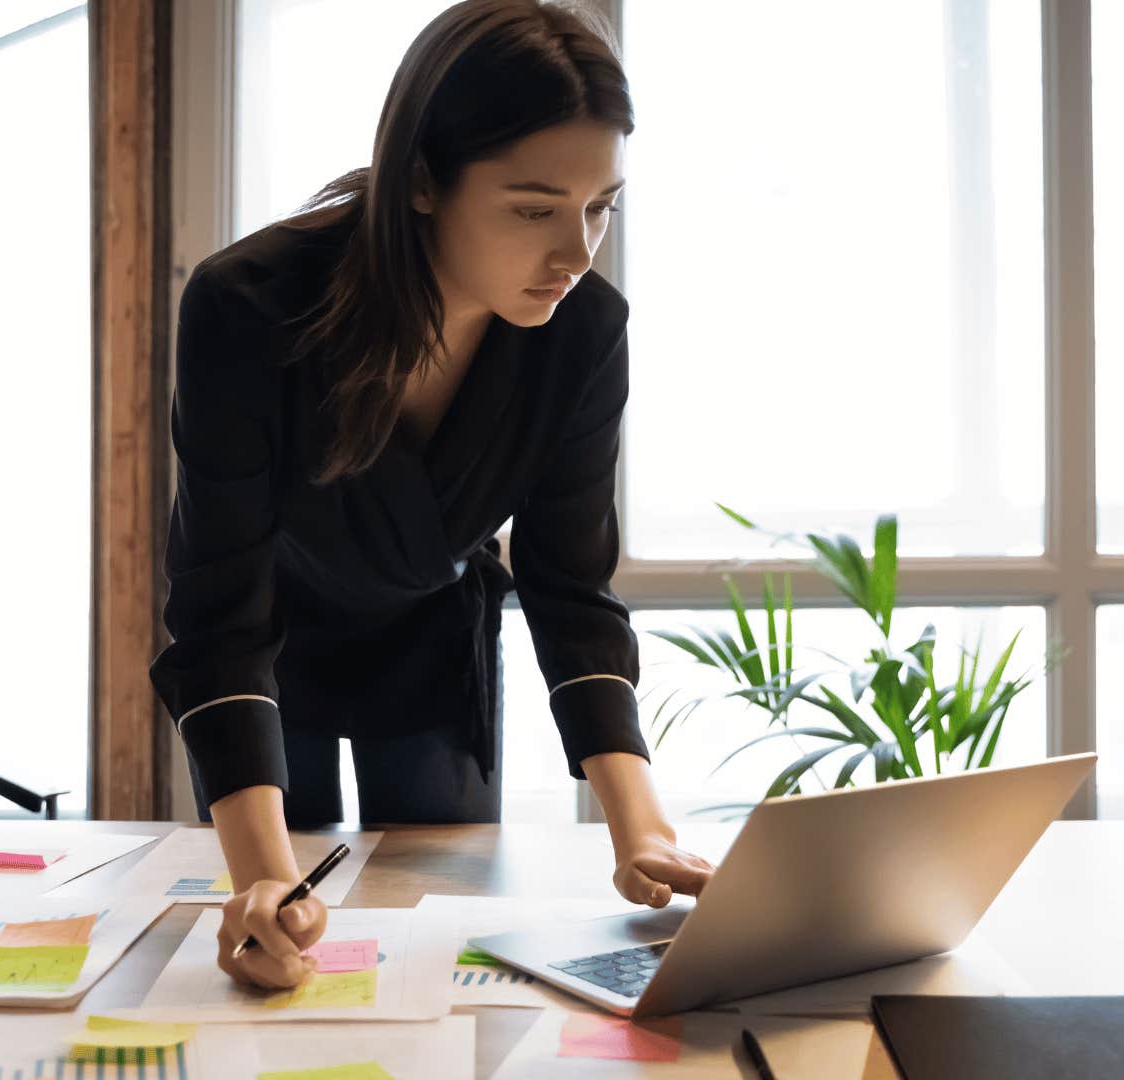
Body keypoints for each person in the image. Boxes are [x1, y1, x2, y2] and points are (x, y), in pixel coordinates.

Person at [148, 0, 715, 992]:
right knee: (284, 936)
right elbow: (220, 610)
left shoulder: (585, 332)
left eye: (601, 205)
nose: (576, 254)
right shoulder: (247, 306)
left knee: (439, 948)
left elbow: (569, 583)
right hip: (268, 648)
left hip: (432, 640)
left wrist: (644, 827)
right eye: (534, 208)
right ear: (421, 180)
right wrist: (265, 893)